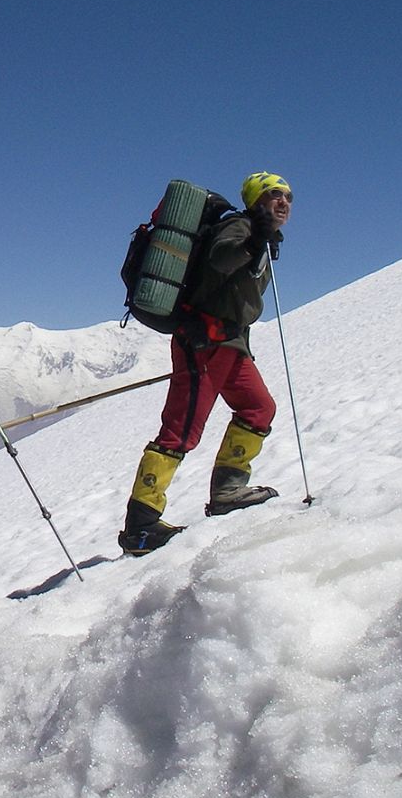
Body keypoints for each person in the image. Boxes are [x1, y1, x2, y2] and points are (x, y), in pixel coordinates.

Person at [119, 172, 293, 556]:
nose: (283, 203)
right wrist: (254, 237)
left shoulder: (260, 237)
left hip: (230, 344)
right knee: (180, 432)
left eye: (287, 197)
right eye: (273, 195)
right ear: (254, 201)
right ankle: (141, 525)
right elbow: (220, 258)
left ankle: (228, 491)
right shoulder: (238, 227)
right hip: (204, 342)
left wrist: (261, 241)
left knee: (258, 409)